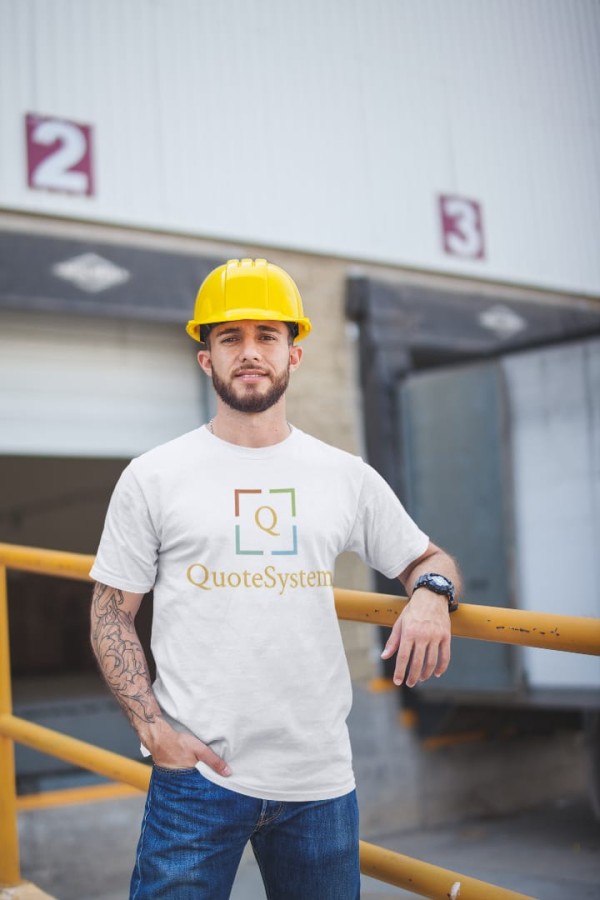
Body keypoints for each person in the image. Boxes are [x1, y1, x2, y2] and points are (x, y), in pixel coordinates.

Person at [89, 257, 462, 900]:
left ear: (295, 353)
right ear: (205, 358)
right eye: (229, 337)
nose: (250, 352)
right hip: (195, 779)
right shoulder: (153, 476)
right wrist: (153, 731)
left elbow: (429, 559)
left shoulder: (344, 475)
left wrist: (432, 595)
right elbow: (109, 611)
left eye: (267, 335)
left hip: (317, 783)